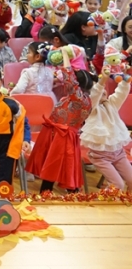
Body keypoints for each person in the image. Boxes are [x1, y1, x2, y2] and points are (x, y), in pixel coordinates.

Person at [27, 54, 93, 194]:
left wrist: (64, 55)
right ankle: (58, 194)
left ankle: (48, 195)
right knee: (59, 166)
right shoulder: (78, 98)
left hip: (63, 136)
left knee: (56, 166)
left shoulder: (79, 98)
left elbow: (69, 78)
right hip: (57, 134)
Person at [80, 73, 132, 190]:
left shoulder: (111, 104)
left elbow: (121, 93)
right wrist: (102, 80)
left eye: (104, 88)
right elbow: (95, 95)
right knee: (118, 185)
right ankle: (105, 200)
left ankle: (126, 200)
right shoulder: (90, 108)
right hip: (100, 157)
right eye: (99, 88)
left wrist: (124, 81)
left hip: (118, 154)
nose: (103, 91)